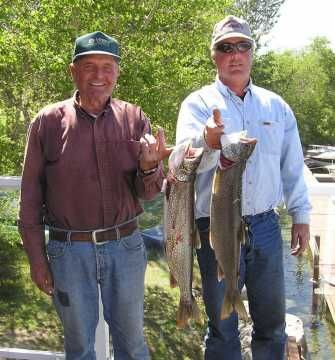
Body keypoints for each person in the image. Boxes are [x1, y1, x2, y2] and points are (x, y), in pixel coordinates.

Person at [18, 31, 170, 360]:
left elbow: (149, 193)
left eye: (107, 66)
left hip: (126, 248)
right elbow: (29, 198)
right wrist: (36, 258)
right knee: (79, 347)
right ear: (73, 71)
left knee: (132, 345)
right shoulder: (47, 123)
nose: (99, 75)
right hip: (68, 253)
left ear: (117, 72)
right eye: (89, 67)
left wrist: (148, 167)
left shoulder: (134, 118)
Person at [176, 15, 311, 360]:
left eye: (242, 46)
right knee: (222, 329)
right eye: (225, 47)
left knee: (272, 325)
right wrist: (206, 141)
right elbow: (181, 165)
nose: (235, 54)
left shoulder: (276, 106)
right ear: (214, 56)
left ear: (252, 52)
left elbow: (292, 165)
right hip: (214, 227)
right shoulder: (197, 104)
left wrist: (301, 214)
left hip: (266, 226)